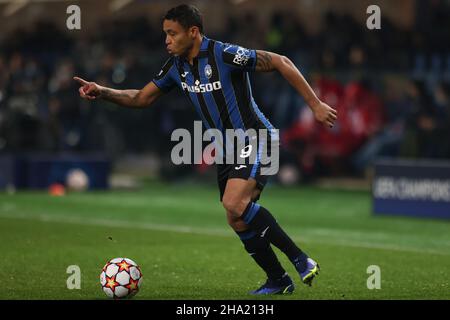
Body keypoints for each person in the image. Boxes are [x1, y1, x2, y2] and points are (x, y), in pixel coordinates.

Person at [74, 4, 337, 295]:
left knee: (234, 204)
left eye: (172, 34)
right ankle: (278, 279)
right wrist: (103, 92)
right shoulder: (176, 67)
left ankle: (300, 258)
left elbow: (281, 61)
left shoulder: (224, 54)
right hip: (227, 149)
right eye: (165, 34)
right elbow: (140, 98)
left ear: (193, 32)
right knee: (235, 217)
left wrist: (315, 104)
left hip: (257, 138)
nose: (167, 41)